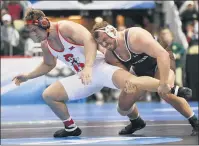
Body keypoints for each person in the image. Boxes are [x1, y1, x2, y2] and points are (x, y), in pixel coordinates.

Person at [12, 9, 193, 138]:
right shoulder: (46, 45)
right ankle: (71, 128)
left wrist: (89, 66)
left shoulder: (65, 27)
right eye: (31, 32)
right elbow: (48, 64)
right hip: (84, 76)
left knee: (135, 83)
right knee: (49, 95)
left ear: (44, 23)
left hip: (98, 67)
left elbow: (89, 41)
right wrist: (27, 76)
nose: (33, 35)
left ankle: (175, 90)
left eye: (35, 30)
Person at [91, 21, 198, 136]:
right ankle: (136, 122)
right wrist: (128, 84)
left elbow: (163, 55)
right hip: (140, 72)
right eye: (101, 43)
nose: (104, 44)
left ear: (111, 31)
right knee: (123, 106)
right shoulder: (110, 55)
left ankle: (195, 122)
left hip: (161, 62)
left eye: (105, 39)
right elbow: (124, 75)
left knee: (166, 93)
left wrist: (163, 84)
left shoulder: (135, 37)